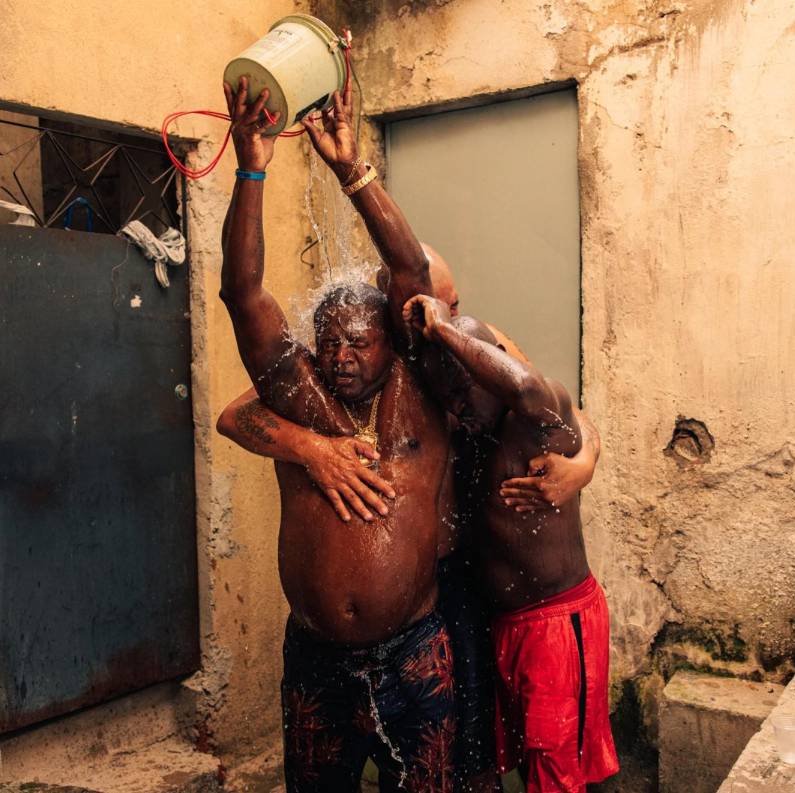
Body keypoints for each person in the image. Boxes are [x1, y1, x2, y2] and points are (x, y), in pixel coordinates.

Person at [219, 250, 601, 793]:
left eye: (452, 303)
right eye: (435, 305)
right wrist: (311, 448)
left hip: (465, 571)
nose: (446, 314)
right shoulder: (355, 359)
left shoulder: (464, 342)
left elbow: (551, 402)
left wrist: (582, 465)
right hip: (416, 588)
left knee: (474, 744)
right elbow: (235, 413)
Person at [217, 76, 456, 792]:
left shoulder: (417, 397)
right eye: (330, 345)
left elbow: (413, 274)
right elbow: (244, 294)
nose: (344, 357)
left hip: (415, 654)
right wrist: (251, 167)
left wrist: (353, 170)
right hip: (316, 661)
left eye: (360, 342)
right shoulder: (302, 399)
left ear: (392, 342)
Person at [403, 293, 619, 792]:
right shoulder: (473, 432)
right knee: (527, 759)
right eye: (448, 399)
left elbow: (526, 385)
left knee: (557, 768)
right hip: (506, 624)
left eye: (464, 394)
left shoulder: (535, 423)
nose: (457, 409)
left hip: (556, 622)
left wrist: (443, 330)